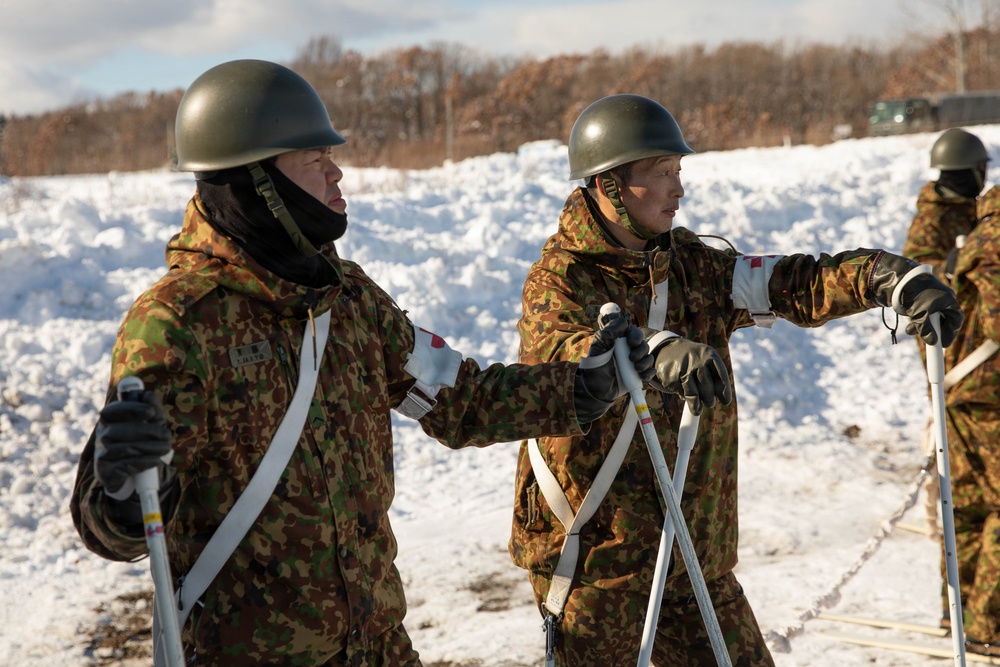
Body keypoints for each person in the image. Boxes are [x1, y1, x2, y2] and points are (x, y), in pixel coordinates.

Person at [67, 61, 731, 667]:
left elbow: (459, 399)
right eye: (315, 158)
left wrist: (584, 388)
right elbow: (120, 525)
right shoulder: (178, 322)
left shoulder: (348, 299)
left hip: (378, 646)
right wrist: (121, 487)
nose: (337, 173)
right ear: (256, 178)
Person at [508, 93, 965, 665]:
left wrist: (884, 277)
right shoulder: (559, 280)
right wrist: (655, 351)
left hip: (692, 554)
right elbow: (566, 355)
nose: (680, 188)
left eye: (679, 171)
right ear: (610, 186)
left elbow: (789, 282)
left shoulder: (693, 266)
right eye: (662, 173)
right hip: (600, 566)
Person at [933, 184, 1000, 656]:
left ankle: (956, 616)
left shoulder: (978, 234)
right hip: (989, 397)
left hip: (961, 387)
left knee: (969, 507)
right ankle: (988, 626)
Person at [903, 127, 990, 281]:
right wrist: (948, 271)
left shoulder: (969, 210)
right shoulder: (932, 217)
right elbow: (911, 273)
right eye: (982, 168)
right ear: (968, 172)